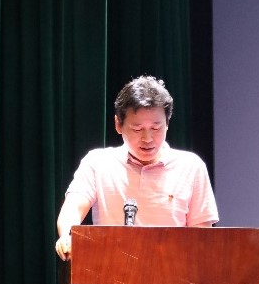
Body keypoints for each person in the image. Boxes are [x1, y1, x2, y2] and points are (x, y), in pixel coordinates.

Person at [55, 75, 218, 260]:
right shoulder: (97, 163)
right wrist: (67, 235)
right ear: (118, 125)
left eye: (156, 128)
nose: (148, 138)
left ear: (167, 124)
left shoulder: (191, 167)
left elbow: (202, 237)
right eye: (137, 129)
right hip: (111, 270)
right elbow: (74, 206)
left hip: (173, 272)